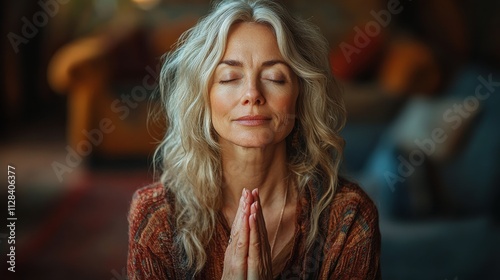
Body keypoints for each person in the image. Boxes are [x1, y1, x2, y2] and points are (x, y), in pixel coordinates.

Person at [127, 0, 381, 279]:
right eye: (229, 77)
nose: (252, 93)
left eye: (274, 77)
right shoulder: (157, 217)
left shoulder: (348, 217)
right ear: (203, 97)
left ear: (300, 94)